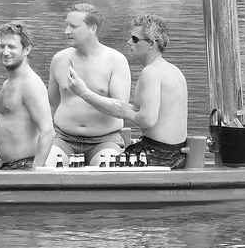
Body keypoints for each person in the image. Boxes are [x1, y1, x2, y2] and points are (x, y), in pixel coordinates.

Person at [68, 14, 189, 169]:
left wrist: (126, 112)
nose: (129, 43)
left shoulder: (150, 73)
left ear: (151, 43)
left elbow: (147, 119)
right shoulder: (174, 71)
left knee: (101, 168)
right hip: (177, 154)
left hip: (156, 154)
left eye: (135, 39)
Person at [48, 3, 132, 166]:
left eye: (73, 26)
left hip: (105, 141)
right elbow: (50, 106)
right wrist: (41, 135)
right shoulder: (59, 59)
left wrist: (84, 93)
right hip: (63, 138)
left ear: (92, 29)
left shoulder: (116, 60)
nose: (66, 31)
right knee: (45, 169)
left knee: (107, 173)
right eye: (66, 25)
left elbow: (121, 110)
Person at [0, 21, 55, 170]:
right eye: (2, 46)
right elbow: (13, 129)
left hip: (24, 167)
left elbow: (48, 131)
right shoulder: (8, 83)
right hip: (9, 167)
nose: (5, 52)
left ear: (26, 50)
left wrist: (35, 174)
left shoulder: (30, 84)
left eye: (11, 47)